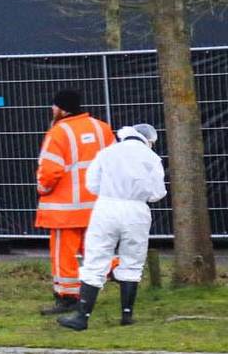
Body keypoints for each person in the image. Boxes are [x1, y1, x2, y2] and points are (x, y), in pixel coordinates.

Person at [58, 124, 165, 331]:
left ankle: (82, 317)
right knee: (133, 261)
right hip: (136, 211)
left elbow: (92, 184)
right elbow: (157, 193)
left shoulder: (106, 153)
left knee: (96, 259)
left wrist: (111, 191)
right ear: (148, 140)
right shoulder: (152, 158)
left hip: (106, 208)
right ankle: (127, 315)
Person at [35, 89, 115, 315]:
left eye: (54, 106)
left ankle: (68, 296)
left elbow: (49, 171)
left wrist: (42, 189)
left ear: (61, 108)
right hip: (97, 205)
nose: (52, 110)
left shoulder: (58, 132)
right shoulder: (102, 128)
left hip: (65, 210)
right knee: (96, 249)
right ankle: (119, 272)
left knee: (64, 254)